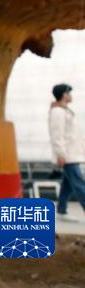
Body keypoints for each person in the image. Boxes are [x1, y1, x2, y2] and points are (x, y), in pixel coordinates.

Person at [49, 83, 85, 216]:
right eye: (69, 93)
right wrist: (60, 154)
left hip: (72, 153)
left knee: (68, 183)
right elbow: (56, 134)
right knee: (79, 184)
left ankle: (61, 208)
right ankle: (62, 208)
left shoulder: (65, 111)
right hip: (67, 155)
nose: (70, 95)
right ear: (64, 94)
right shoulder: (57, 112)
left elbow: (73, 134)